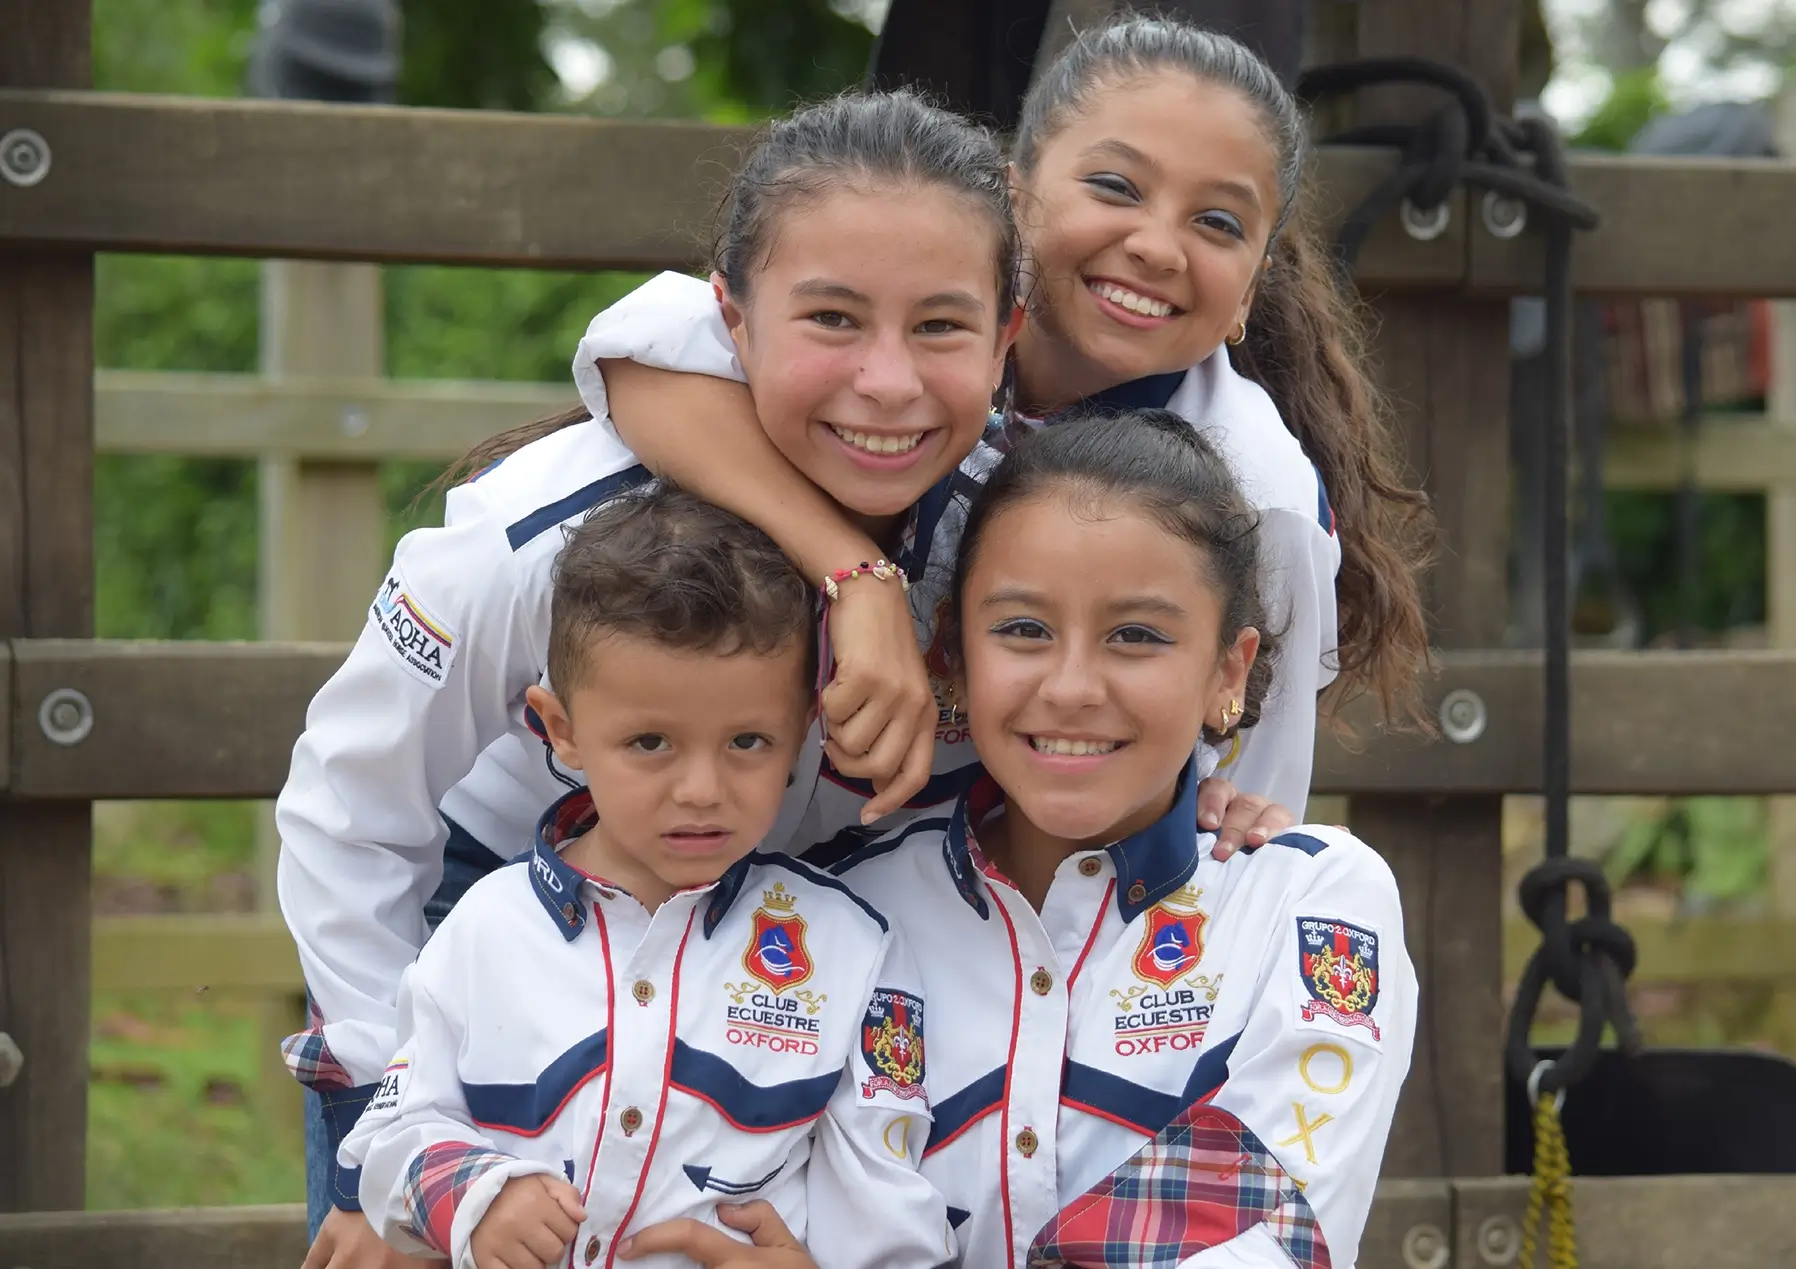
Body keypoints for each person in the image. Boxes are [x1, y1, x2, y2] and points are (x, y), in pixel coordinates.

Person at [280, 88, 1285, 1269]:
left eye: (942, 329)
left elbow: (1116, 669)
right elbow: (352, 814)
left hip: (793, 1011)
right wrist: (375, 1145)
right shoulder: (535, 543)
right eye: (833, 320)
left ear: (1009, 340)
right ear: (730, 323)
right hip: (492, 977)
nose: (888, 383)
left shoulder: (1009, 532)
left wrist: (1204, 795)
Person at [573, 15, 1433, 831]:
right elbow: (635, 354)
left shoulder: (1259, 491)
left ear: (1252, 284)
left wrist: (1234, 810)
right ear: (1016, 197)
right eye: (1114, 186)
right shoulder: (902, 318)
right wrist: (856, 574)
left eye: (1217, 222)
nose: (1159, 246)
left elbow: (1252, 788)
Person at [829, 409, 1415, 1269]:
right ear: (951, 649)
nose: (1070, 687)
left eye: (1136, 636)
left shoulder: (1310, 903)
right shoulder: (840, 912)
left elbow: (1257, 1247)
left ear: (1229, 670)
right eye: (1023, 629)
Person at [338, 487, 954, 1269]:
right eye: (651, 741)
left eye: (747, 741)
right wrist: (476, 1192)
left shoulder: (851, 951)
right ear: (560, 728)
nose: (701, 787)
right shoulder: (482, 928)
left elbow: (889, 1202)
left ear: (805, 728)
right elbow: (391, 1136)